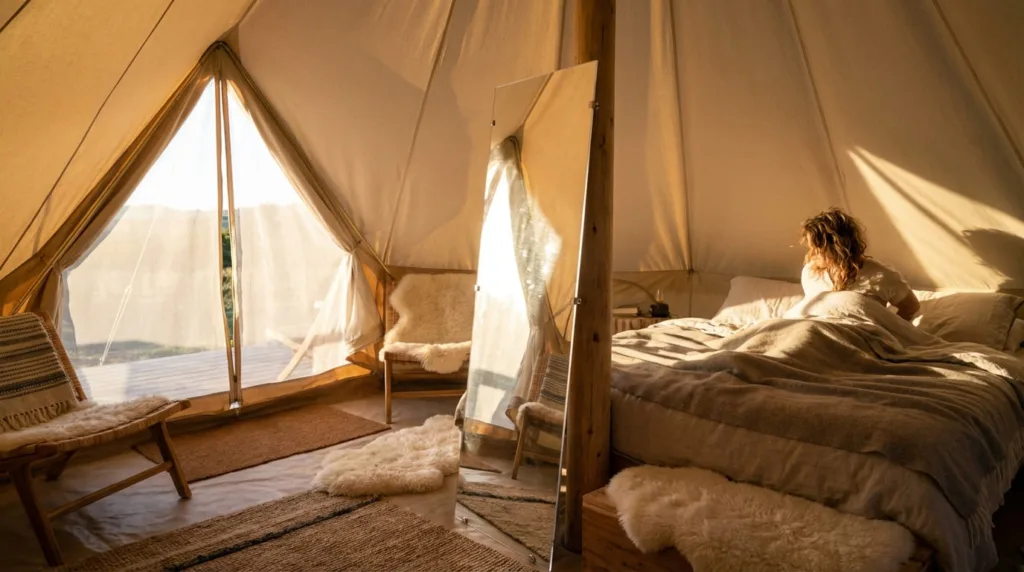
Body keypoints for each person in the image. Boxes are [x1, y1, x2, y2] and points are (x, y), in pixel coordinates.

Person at [800, 208, 920, 320]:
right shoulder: (810, 272)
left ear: (838, 247)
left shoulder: (880, 275)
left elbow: (911, 306)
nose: (811, 254)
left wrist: (888, 329)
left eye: (817, 248)